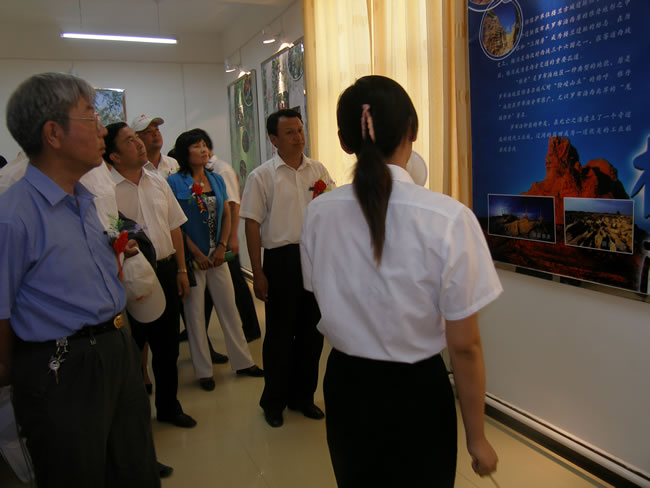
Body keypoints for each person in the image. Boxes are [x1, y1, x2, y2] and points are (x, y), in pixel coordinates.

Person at [300, 75, 502, 487]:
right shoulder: (448, 218)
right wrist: (477, 436)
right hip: (417, 392)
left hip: (347, 386)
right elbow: (464, 346)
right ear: (412, 129)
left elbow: (319, 293)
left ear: (343, 141)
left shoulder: (319, 213)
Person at [0, 72, 160, 486]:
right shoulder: (13, 216)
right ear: (53, 133)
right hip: (62, 366)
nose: (102, 131)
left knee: (136, 467)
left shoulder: (85, 199)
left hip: (117, 346)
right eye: (91, 117)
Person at [241, 109, 334, 428]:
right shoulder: (261, 176)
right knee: (280, 335)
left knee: (312, 333)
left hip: (314, 258)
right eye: (290, 132)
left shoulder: (318, 170)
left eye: (300, 130)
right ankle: (274, 401)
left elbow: (331, 212)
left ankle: (303, 397)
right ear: (274, 139)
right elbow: (252, 225)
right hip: (281, 261)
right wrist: (258, 272)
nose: (298, 137)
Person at [104, 122, 197, 428]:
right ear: (114, 156)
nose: (139, 143)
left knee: (167, 347)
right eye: (130, 141)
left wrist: (181, 269)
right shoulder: (106, 191)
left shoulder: (157, 181)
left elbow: (174, 227)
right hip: (130, 276)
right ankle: (134, 420)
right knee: (132, 349)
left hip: (166, 270)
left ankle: (169, 407)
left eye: (137, 138)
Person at [167, 130, 263, 391]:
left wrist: (222, 246)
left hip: (218, 256)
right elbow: (175, 224)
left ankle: (243, 362)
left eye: (204, 145)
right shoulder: (174, 182)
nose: (203, 150)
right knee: (195, 315)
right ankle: (204, 371)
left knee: (229, 307)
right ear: (185, 152)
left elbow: (227, 213)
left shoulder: (216, 178)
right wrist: (196, 253)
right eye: (196, 146)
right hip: (192, 258)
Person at [195, 128, 262, 342]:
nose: (199, 150)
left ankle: (251, 328)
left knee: (237, 284)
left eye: (200, 146)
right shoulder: (204, 171)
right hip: (214, 241)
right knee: (210, 289)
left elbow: (233, 205)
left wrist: (231, 238)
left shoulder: (220, 170)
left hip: (223, 241)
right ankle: (199, 329)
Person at [131, 114, 180, 178]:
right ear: (137, 138)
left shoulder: (172, 163)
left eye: (157, 129)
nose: (155, 134)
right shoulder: (134, 169)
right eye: (148, 131)